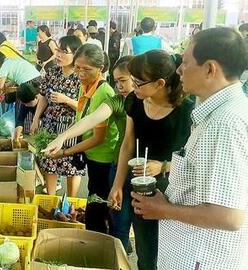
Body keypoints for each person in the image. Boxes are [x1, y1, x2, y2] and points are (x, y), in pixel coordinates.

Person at [132, 27, 248, 270]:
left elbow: (228, 216)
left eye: (185, 62)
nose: (179, 70)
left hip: (200, 258)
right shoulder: (216, 113)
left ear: (209, 69)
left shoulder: (224, 124)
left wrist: (163, 209)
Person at [108, 50, 194, 270]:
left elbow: (196, 160)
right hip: (139, 185)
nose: (133, 88)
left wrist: (163, 166)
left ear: (159, 83)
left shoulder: (187, 111)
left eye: (138, 83)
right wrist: (118, 184)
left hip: (173, 189)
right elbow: (128, 143)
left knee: (168, 248)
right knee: (145, 248)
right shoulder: (135, 102)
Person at [43, 56, 135, 252]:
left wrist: (164, 166)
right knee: (117, 220)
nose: (119, 86)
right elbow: (92, 119)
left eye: (123, 81)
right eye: (117, 81)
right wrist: (62, 138)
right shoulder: (117, 101)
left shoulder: (109, 93)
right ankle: (107, 255)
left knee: (118, 219)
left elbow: (99, 136)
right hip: (117, 164)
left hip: (124, 166)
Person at [48, 44, 118, 234]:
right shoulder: (85, 85)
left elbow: (98, 138)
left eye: (87, 69)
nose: (80, 73)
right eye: (77, 67)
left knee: (98, 206)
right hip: (91, 156)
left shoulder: (104, 93)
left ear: (100, 68)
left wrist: (64, 151)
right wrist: (61, 139)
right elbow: (81, 119)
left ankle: (100, 244)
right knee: (95, 201)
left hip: (103, 159)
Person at [31, 36, 85, 197]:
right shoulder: (52, 72)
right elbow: (43, 97)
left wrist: (67, 100)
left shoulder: (81, 77)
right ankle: (51, 199)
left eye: (64, 51)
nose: (59, 55)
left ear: (76, 55)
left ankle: (71, 203)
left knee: (71, 166)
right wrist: (35, 120)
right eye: (58, 50)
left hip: (72, 128)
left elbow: (86, 108)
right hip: (50, 124)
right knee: (49, 162)